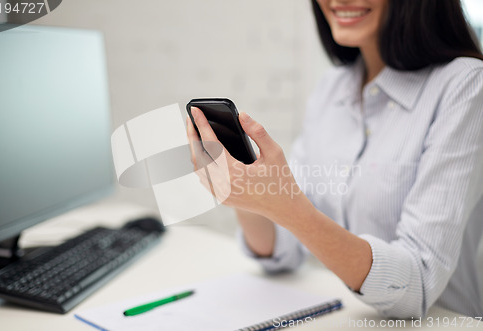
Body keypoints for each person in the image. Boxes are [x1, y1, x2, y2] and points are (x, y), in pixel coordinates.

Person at [186, 0, 483, 318]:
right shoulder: (333, 86)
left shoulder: (466, 85)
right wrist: (244, 196)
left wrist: (287, 208)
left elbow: (416, 286)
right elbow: (284, 251)